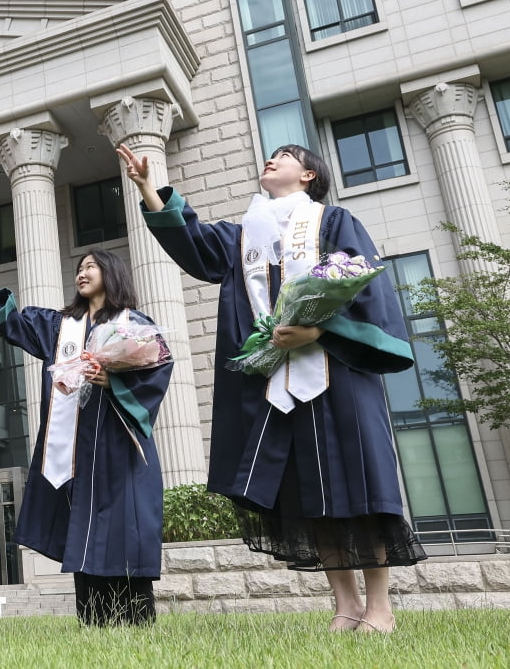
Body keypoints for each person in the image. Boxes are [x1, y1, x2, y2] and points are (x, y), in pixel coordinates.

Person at [117, 142, 425, 633]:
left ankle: (381, 608)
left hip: (336, 372)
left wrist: (319, 330)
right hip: (277, 379)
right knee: (312, 492)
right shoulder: (246, 234)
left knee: (362, 484)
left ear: (308, 175)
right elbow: (193, 243)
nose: (272, 159)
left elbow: (361, 283)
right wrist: (149, 189)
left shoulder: (333, 221)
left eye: (284, 156)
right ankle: (345, 605)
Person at [0, 249, 173, 626]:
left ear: (110, 273)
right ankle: (93, 618)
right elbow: (16, 323)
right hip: (77, 449)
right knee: (82, 527)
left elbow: (158, 367)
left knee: (123, 527)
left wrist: (113, 382)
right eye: (79, 268)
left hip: (117, 446)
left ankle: (135, 618)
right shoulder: (63, 325)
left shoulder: (135, 325)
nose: (82, 273)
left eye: (91, 267)